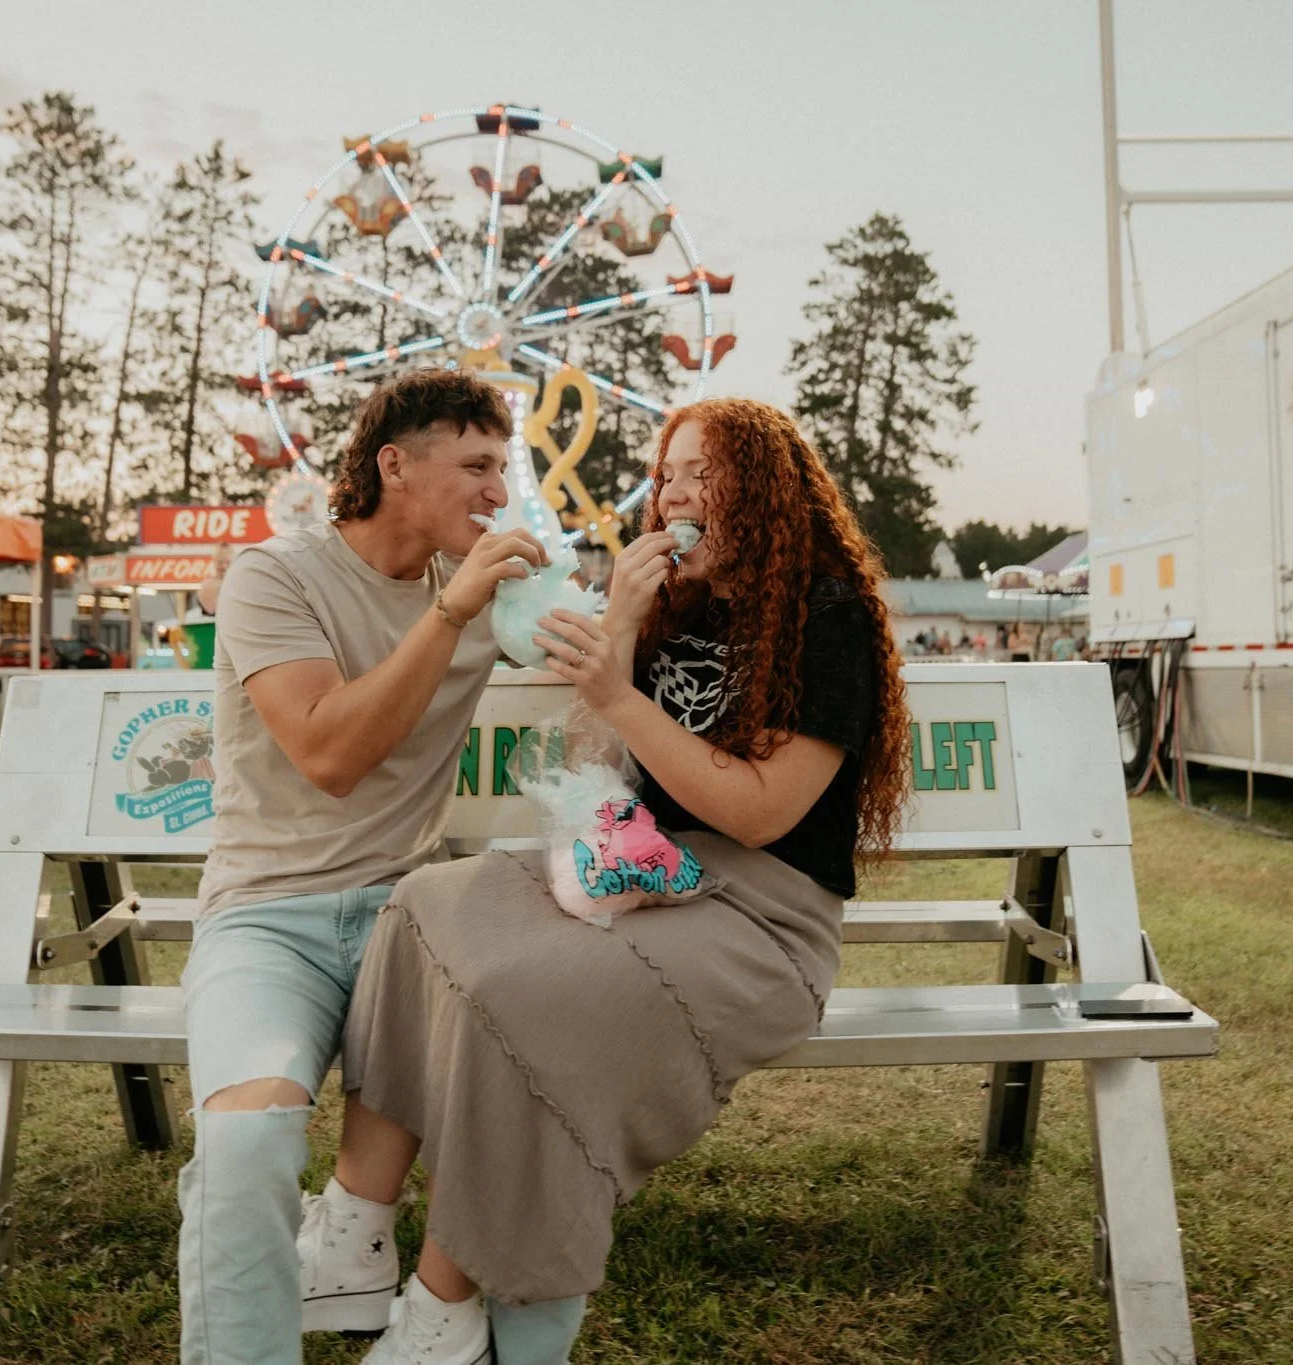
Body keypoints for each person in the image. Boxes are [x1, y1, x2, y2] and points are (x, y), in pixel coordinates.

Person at [315, 397, 913, 1364]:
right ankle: (352, 1226)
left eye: (701, 473)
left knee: (526, 996)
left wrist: (620, 696)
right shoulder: (677, 603)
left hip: (758, 917)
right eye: (667, 473)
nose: (674, 493)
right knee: (426, 904)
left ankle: (443, 1303)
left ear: (762, 489)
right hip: (639, 870)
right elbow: (602, 765)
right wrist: (626, 625)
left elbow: (761, 812)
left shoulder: (824, 615)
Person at [176, 369, 547, 1364]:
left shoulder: (479, 595)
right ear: (394, 464)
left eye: (501, 470)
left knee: (543, 1051)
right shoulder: (273, 576)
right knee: (250, 1139)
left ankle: (438, 1310)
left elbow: (603, 663)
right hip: (267, 918)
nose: (494, 492)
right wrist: (450, 616)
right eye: (474, 465)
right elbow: (331, 756)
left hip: (405, 919)